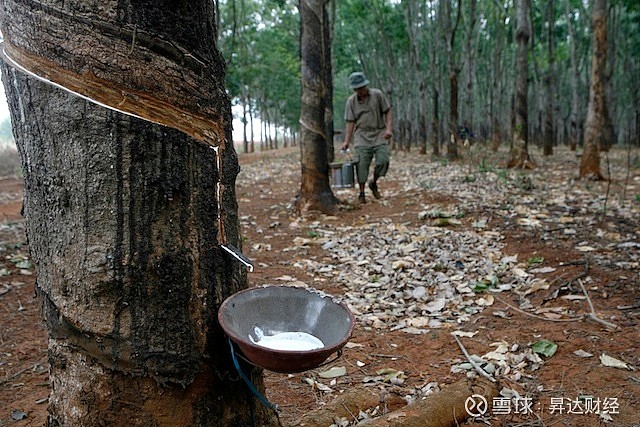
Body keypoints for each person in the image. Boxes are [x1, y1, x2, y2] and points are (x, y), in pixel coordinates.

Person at [341, 71, 393, 204]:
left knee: (383, 160)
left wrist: (388, 129)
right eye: (357, 89)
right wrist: (347, 141)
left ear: (366, 85)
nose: (360, 91)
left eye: (361, 88)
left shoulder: (377, 95)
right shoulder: (351, 101)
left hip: (379, 132)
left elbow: (387, 111)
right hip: (361, 135)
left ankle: (374, 182)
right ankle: (362, 193)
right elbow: (350, 122)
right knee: (361, 164)